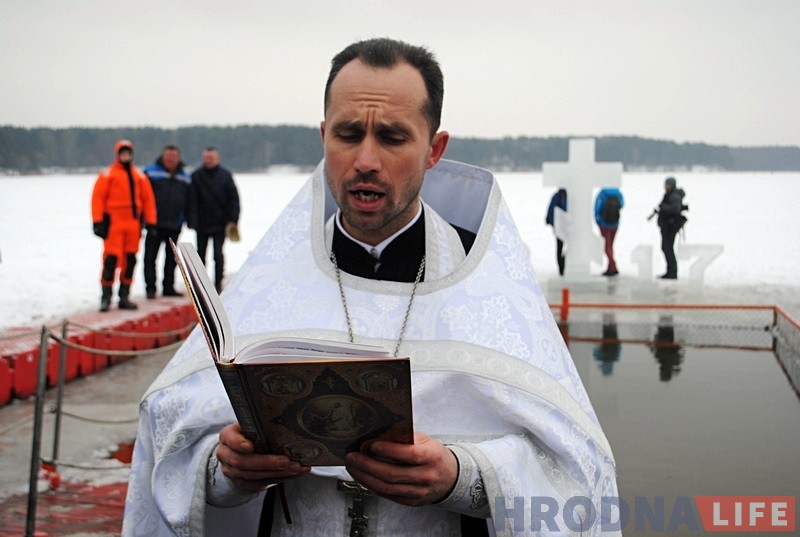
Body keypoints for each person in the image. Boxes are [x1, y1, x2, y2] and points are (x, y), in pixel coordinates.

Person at [123, 38, 619, 537]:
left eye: (392, 137)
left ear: (434, 150)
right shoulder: (273, 277)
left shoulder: (482, 276)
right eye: (348, 133)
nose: (365, 159)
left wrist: (461, 476)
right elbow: (170, 434)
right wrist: (226, 469)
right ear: (323, 137)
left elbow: (574, 467)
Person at [90, 140, 156, 312]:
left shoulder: (139, 176)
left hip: (133, 226)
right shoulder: (107, 174)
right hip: (114, 225)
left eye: (128, 153)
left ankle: (124, 296)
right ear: (117, 154)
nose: (125, 156)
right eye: (122, 153)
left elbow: (148, 200)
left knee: (130, 261)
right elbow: (97, 199)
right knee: (110, 260)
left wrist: (151, 222)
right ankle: (106, 297)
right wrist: (97, 221)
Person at [188, 147, 240, 293]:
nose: (208, 160)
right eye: (206, 158)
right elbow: (191, 201)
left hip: (220, 224)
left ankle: (218, 284)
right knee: (200, 256)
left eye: (211, 158)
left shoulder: (225, 176)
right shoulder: (196, 176)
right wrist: (191, 220)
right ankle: (201, 285)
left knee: (218, 255)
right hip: (202, 224)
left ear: (217, 159)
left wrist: (233, 220)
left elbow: (234, 200)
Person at [142, 145, 191, 298]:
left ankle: (168, 287)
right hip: (154, 223)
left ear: (178, 158)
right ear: (163, 156)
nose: (170, 159)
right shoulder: (150, 172)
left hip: (174, 224)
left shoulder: (185, 176)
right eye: (168, 156)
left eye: (173, 156)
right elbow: (142, 196)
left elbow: (189, 200)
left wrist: (186, 218)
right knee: (150, 258)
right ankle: (150, 289)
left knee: (172, 259)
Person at [653, 176, 687, 279]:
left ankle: (672, 272)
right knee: (666, 248)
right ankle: (670, 271)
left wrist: (663, 208)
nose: (665, 186)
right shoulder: (670, 194)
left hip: (670, 226)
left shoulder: (674, 196)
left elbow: (675, 209)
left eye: (667, 184)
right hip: (667, 225)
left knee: (667, 248)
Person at [594, 187, 624, 276]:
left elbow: (597, 207)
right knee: (610, 246)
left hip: (604, 224)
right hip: (615, 224)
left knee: (606, 247)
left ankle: (613, 267)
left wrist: (598, 220)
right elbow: (622, 204)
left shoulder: (602, 193)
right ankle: (610, 267)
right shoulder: (618, 192)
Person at [545, 188, 567, 276]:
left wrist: (550, 221)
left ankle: (561, 268)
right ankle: (567, 265)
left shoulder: (557, 195)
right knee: (570, 247)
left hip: (559, 226)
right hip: (570, 226)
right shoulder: (572, 195)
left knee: (559, 247)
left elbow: (551, 209)